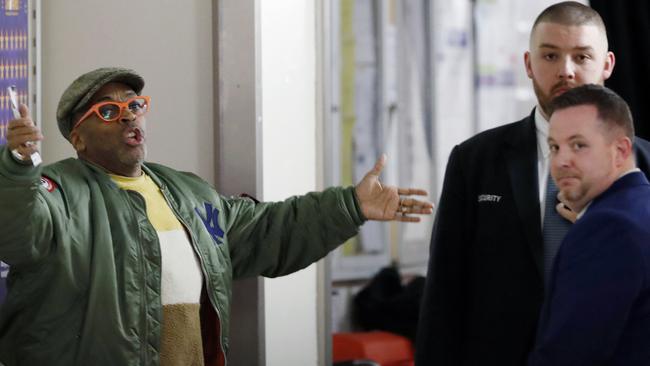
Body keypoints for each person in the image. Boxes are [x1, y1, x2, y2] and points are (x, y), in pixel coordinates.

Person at [0, 67, 433, 366]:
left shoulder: (189, 193)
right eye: (108, 112)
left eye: (134, 105)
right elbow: (19, 234)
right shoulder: (57, 192)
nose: (128, 116)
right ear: (78, 137)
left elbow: (268, 230)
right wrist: (19, 167)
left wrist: (351, 206)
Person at [415, 2, 650, 365]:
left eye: (582, 56)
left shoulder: (645, 166)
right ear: (528, 64)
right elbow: (444, 293)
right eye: (551, 56)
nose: (566, 72)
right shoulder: (475, 160)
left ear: (607, 65)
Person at [529, 84, 650, 365]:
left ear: (620, 151)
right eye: (554, 147)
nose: (561, 161)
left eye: (578, 145)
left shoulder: (609, 227)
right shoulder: (639, 206)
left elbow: (569, 355)